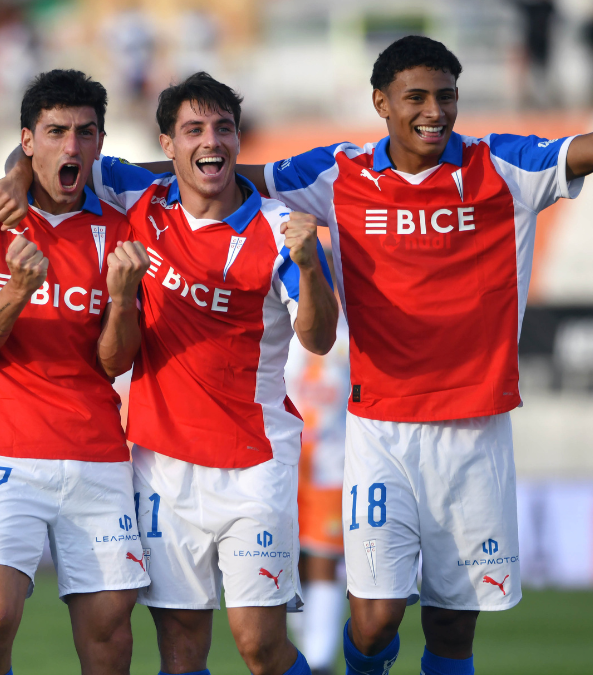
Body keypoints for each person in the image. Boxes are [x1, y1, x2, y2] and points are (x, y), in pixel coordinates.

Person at [245, 36, 593, 675]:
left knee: (453, 628)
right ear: (381, 102)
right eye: (417, 97)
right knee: (375, 624)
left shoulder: (503, 167)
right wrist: (101, 178)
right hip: (381, 428)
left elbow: (584, 149)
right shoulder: (338, 174)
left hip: (477, 430)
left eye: (447, 96)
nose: (434, 110)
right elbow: (220, 173)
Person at [0, 71, 339, 675]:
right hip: (160, 464)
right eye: (194, 129)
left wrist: (311, 267)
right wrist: (14, 177)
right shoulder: (141, 197)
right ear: (167, 144)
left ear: (237, 140)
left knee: (259, 644)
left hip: (254, 462)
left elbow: (319, 335)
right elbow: (55, 154)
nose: (212, 141)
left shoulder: (277, 230)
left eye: (224, 128)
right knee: (180, 652)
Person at [0, 69, 150, 675]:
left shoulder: (120, 228)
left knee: (110, 640)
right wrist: (18, 292)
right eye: (56, 132)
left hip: (98, 455)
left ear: (101, 143)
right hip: (5, 454)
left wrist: (121, 300)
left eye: (85, 133)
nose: (72, 147)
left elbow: (115, 362)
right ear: (27, 140)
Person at [286, 315, 351, 675]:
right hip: (284, 460)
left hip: (330, 464)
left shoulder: (348, 336)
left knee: (323, 560)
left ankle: (321, 662)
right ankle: (303, 654)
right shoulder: (283, 328)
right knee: (288, 561)